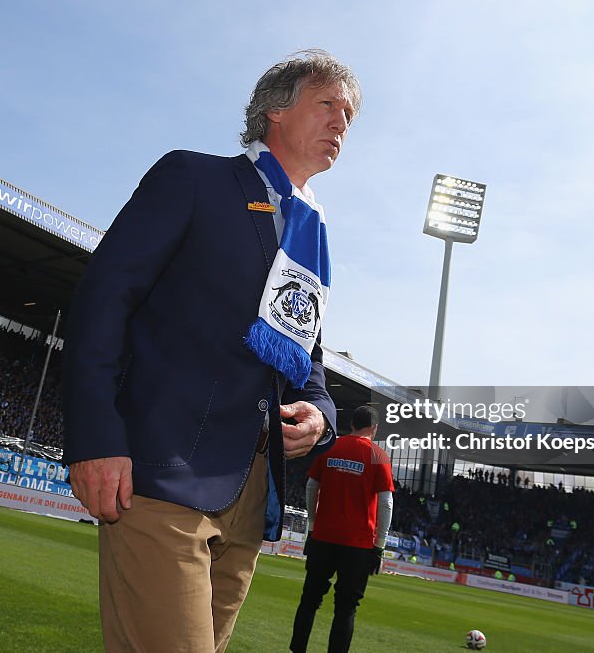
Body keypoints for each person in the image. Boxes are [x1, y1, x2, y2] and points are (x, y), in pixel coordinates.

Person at [62, 49, 360, 652]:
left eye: (349, 115)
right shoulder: (195, 179)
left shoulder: (311, 234)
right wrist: (96, 439)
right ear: (276, 110)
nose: (341, 124)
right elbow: (102, 301)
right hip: (161, 476)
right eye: (327, 104)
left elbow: (310, 367)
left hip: (251, 498)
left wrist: (321, 416)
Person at [290, 405, 394, 653]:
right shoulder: (378, 455)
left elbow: (311, 486)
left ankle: (297, 650)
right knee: (346, 608)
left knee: (309, 600)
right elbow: (386, 503)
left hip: (323, 536)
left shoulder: (331, 447)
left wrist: (313, 527)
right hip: (358, 544)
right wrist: (379, 546)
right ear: (375, 428)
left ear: (352, 424)